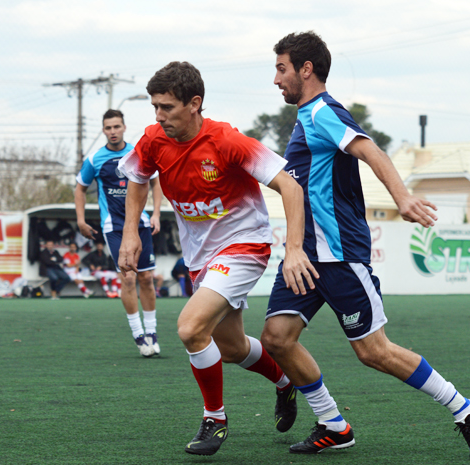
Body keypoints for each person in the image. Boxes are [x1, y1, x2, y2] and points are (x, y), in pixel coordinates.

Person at [261, 31, 470, 461]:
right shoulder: (306, 116)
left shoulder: (323, 113)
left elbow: (369, 150)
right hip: (307, 257)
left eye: (281, 69)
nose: (276, 79)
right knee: (277, 337)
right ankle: (334, 424)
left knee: (373, 351)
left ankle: (467, 408)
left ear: (306, 69)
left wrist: (403, 198)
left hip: (341, 256)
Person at [117, 61, 317, 456]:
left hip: (245, 245)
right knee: (231, 348)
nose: (159, 116)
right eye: (154, 107)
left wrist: (293, 249)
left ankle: (215, 418)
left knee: (191, 328)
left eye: (167, 108)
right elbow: (138, 179)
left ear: (195, 104)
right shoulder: (153, 140)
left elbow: (290, 186)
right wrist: (129, 234)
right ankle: (283, 383)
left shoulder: (227, 141)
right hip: (201, 256)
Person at [74, 109, 163, 358]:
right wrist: (80, 220)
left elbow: (156, 182)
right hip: (114, 228)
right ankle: (138, 335)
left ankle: (153, 333)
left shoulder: (139, 152)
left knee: (146, 279)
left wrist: (156, 213)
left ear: (124, 127)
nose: (113, 131)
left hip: (141, 224)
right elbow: (80, 189)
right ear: (103, 130)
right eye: (108, 128)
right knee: (128, 278)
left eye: (116, 127)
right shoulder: (95, 159)